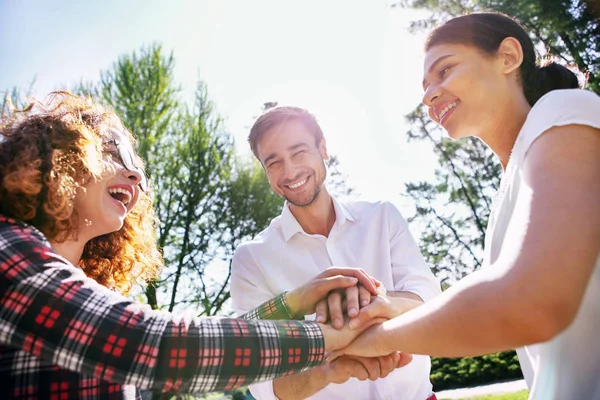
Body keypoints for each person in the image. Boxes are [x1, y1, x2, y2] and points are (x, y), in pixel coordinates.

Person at [0, 92, 403, 399]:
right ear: (63, 157)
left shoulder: (83, 288)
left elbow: (190, 352)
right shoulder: (6, 250)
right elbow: (154, 345)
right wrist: (331, 338)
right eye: (113, 152)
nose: (135, 176)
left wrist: (294, 302)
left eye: (137, 166)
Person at [328, 12, 600, 400]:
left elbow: (531, 302)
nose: (427, 95)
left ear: (508, 56)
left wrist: (376, 340)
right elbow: (497, 301)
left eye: (445, 70)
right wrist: (389, 311)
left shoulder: (564, 110)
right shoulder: (509, 190)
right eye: (424, 86)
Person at [230, 106, 441, 400]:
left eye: (299, 152)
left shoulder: (382, 217)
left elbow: (429, 300)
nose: (290, 172)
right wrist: (330, 369)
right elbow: (264, 385)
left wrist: (373, 302)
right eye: (274, 162)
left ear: (323, 148)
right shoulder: (251, 259)